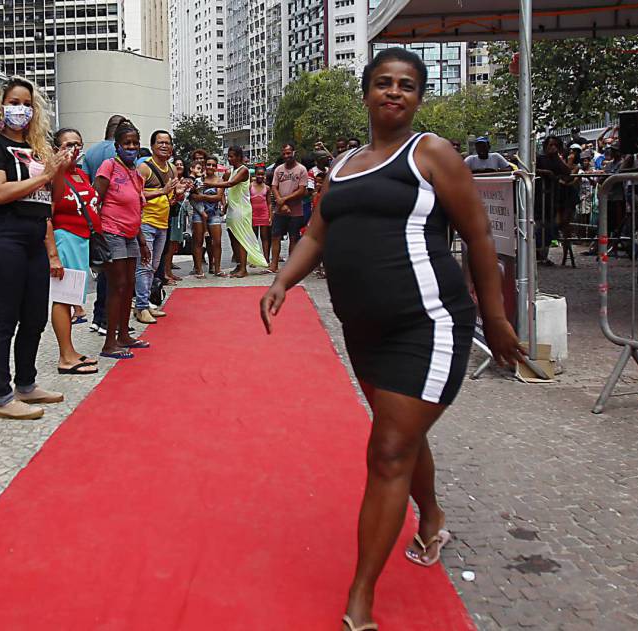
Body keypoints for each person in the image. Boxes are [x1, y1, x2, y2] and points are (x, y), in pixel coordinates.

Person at [260, 47, 523, 631]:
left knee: (387, 451)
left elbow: (479, 236)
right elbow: (317, 233)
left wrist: (497, 318)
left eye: (407, 84)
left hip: (426, 325)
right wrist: (282, 280)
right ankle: (432, 518)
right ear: (367, 93)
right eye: (384, 82)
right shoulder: (345, 163)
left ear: (419, 97)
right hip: (363, 331)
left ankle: (360, 600)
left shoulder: (431, 153)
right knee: (398, 436)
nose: (394, 92)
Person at [0, 76, 69, 420]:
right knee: (4, 320)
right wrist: (44, 176)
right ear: (1, 105)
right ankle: (2, 395)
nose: (21, 109)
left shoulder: (39, 147)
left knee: (34, 318)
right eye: (14, 103)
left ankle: (26, 383)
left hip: (33, 239)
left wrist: (59, 171)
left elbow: (52, 199)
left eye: (27, 104)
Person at [93, 122, 151, 359]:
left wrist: (142, 241)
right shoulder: (108, 166)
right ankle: (109, 342)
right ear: (117, 146)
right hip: (111, 232)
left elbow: (136, 208)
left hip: (131, 235)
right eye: (127, 143)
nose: (132, 147)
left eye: (135, 143)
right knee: (116, 286)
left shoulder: (136, 173)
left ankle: (124, 334)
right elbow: (95, 200)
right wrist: (97, 235)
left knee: (128, 286)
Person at [48, 127, 102, 375]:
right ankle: (65, 355)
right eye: (68, 144)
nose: (74, 149)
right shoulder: (52, 174)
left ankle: (69, 351)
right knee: (64, 297)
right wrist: (53, 254)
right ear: (56, 148)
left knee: (72, 297)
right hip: (65, 237)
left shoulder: (80, 174)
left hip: (82, 240)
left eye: (78, 144)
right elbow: (47, 214)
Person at [84, 114, 128, 334]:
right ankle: (108, 321)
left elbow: (86, 183)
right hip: (116, 216)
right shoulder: (119, 152)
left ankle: (98, 316)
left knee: (104, 268)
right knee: (116, 273)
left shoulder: (91, 152)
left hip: (97, 214)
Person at [205, 146, 268, 277]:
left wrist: (211, 184)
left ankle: (243, 269)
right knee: (233, 236)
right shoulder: (232, 171)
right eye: (228, 156)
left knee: (241, 237)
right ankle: (239, 264)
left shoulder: (243, 170)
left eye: (232, 156)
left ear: (239, 157)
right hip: (232, 208)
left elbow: (230, 184)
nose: (229, 158)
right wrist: (226, 204)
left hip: (241, 209)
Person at [134, 130, 176, 324]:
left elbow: (170, 197)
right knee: (144, 266)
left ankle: (147, 303)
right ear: (152, 146)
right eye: (160, 142)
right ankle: (141, 307)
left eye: (167, 143)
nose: (164, 146)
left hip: (163, 223)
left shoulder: (172, 169)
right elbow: (136, 194)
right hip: (146, 222)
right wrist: (162, 191)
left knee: (154, 266)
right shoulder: (144, 168)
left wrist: (177, 193)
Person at [269, 143, 308, 273]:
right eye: (284, 153)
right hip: (280, 210)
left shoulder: (301, 169)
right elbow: (274, 187)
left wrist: (284, 200)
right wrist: (281, 203)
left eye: (288, 153)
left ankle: (291, 267)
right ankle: (274, 265)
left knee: (294, 237)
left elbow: (301, 190)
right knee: (275, 236)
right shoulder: (278, 169)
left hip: (296, 211)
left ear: (294, 152)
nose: (286, 156)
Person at [190, 156, 226, 277]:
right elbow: (192, 196)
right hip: (199, 213)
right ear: (205, 166)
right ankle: (199, 270)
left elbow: (218, 197)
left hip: (214, 213)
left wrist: (202, 197)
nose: (210, 167)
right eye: (208, 164)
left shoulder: (219, 181)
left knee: (217, 242)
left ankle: (217, 269)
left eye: (213, 165)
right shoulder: (199, 179)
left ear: (216, 167)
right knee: (198, 241)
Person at [163, 160, 191, 284]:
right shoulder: (170, 181)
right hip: (172, 214)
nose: (179, 166)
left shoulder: (185, 181)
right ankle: (165, 272)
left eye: (181, 164)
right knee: (169, 244)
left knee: (174, 244)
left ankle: (169, 271)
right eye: (177, 164)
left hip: (180, 214)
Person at [250, 165, 271, 261]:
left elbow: (269, 203)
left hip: (264, 214)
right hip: (252, 214)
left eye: (262, 174)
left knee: (265, 237)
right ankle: (254, 259)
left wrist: (270, 216)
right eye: (258, 174)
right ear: (255, 174)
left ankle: (266, 259)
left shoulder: (267, 188)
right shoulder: (250, 186)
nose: (260, 176)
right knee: (253, 238)